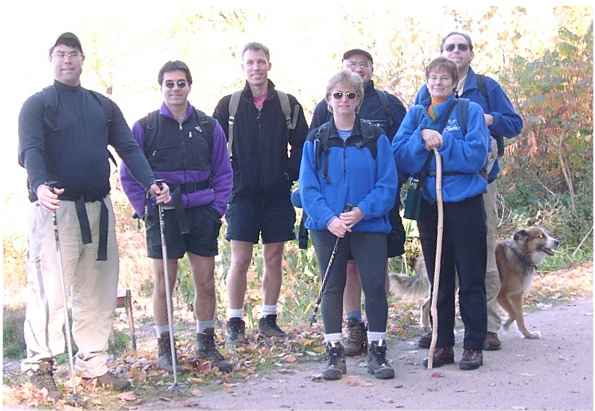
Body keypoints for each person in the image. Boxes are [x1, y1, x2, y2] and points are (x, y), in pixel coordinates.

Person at [17, 32, 170, 399]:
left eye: (72, 54)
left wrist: (151, 183)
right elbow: (31, 150)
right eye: (60, 54)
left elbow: (128, 147)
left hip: (98, 209)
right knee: (49, 290)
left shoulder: (102, 105)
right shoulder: (37, 105)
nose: (66, 60)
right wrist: (40, 186)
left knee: (98, 288)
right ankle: (40, 366)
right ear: (52, 61)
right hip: (55, 209)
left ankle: (93, 366)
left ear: (83, 60)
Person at [120, 61, 233, 373]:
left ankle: (206, 343)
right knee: (163, 283)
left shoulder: (210, 127)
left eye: (180, 83)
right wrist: (144, 207)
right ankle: (165, 348)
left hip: (202, 212)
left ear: (189, 86)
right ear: (161, 87)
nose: (175, 89)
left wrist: (217, 209)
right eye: (169, 83)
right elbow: (128, 175)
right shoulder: (145, 127)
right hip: (163, 213)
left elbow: (224, 172)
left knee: (206, 281)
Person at [414, 32, 523, 351]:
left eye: (462, 47)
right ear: (441, 53)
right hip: (434, 187)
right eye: (450, 47)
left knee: (482, 253)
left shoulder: (485, 88)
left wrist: (489, 119)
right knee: (435, 257)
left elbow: (514, 124)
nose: (457, 51)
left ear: (472, 53)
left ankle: (486, 326)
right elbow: (414, 130)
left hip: (479, 181)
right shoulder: (428, 89)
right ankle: (435, 325)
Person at [300, 70, 397, 380]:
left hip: (368, 225)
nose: (344, 100)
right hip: (327, 227)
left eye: (350, 95)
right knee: (332, 289)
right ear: (329, 101)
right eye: (337, 95)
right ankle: (333, 355)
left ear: (359, 99)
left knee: (375, 287)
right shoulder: (316, 140)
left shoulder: (374, 137)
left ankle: (378, 353)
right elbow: (308, 188)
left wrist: (362, 211)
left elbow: (387, 183)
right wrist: (329, 218)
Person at [394, 57, 489, 370]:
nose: (438, 83)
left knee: (471, 275)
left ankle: (474, 344)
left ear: (455, 82)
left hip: (464, 202)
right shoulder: (417, 115)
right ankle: (443, 343)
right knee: (439, 276)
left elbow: (475, 155)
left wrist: (444, 142)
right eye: (433, 78)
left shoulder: (469, 112)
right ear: (427, 80)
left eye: (445, 78)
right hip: (430, 205)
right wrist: (422, 140)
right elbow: (401, 157)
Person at [213, 42, 308, 344]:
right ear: (243, 68)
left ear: (269, 65)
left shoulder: (286, 103)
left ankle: (268, 318)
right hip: (240, 194)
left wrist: (287, 174)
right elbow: (214, 150)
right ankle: (234, 321)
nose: (256, 67)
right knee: (239, 259)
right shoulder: (228, 105)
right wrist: (227, 181)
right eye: (250, 63)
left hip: (276, 194)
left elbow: (303, 145)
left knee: (274, 256)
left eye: (261, 62)